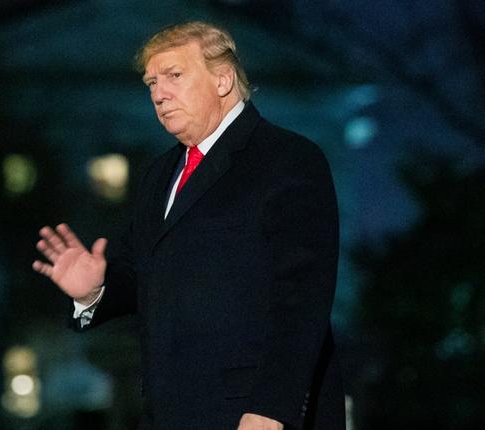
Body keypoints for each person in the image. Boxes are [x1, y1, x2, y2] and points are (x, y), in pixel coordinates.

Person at [32, 21, 343, 430]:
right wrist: (93, 292)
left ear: (222, 79)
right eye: (151, 83)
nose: (159, 94)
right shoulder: (159, 175)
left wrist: (271, 408)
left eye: (174, 76)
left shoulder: (287, 159)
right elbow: (143, 274)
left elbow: (303, 298)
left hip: (251, 415)